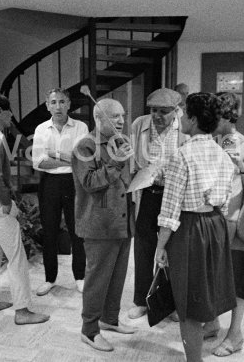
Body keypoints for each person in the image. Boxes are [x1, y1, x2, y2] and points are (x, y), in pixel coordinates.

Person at [155, 92, 237, 362]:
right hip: (216, 225)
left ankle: (194, 360)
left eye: (182, 113)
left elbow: (170, 210)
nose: (179, 118)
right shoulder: (223, 155)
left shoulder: (181, 155)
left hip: (189, 228)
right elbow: (225, 205)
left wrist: (160, 246)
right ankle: (210, 329)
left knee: (187, 299)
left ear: (192, 118)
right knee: (207, 288)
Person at [0, 92, 49, 325]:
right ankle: (23, 311)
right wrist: (6, 201)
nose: (12, 115)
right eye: (8, 111)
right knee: (17, 257)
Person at [71, 98, 136, 352]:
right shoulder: (85, 146)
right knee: (98, 279)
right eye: (115, 116)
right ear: (99, 119)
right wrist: (117, 162)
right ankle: (89, 330)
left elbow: (124, 180)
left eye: (122, 115)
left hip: (122, 221)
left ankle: (109, 319)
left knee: (117, 276)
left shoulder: (119, 142)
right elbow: (90, 182)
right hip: (99, 224)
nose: (121, 120)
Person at [204, 91, 244, 357]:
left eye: (217, 115)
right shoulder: (211, 141)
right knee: (212, 274)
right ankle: (212, 322)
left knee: (237, 279)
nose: (212, 120)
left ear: (227, 116)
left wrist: (241, 167)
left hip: (235, 222)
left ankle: (235, 334)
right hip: (212, 221)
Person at [128, 88, 187, 320]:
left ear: (176, 110)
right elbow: (131, 158)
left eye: (164, 111)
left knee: (171, 248)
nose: (157, 116)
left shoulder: (185, 129)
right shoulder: (139, 125)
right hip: (147, 193)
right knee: (143, 246)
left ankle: (166, 301)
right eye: (153, 110)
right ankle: (141, 300)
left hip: (173, 194)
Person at [32, 88, 88, 295]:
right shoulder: (41, 129)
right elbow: (38, 162)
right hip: (49, 184)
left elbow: (82, 159)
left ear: (69, 104)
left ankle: (80, 277)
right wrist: (67, 158)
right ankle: (50, 278)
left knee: (77, 231)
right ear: (47, 105)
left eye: (62, 102)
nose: (58, 106)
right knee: (50, 231)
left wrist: (54, 155)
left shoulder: (81, 127)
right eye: (53, 102)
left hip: (74, 183)